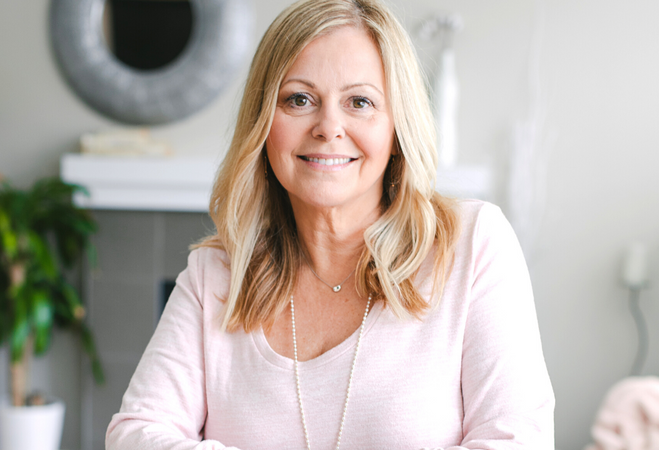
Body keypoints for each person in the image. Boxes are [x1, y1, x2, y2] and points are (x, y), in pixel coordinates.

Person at [106, 0, 555, 448]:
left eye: (360, 102)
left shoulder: (473, 244)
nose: (329, 127)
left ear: (396, 130)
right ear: (263, 123)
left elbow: (517, 440)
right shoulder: (216, 274)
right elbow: (135, 433)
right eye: (299, 99)